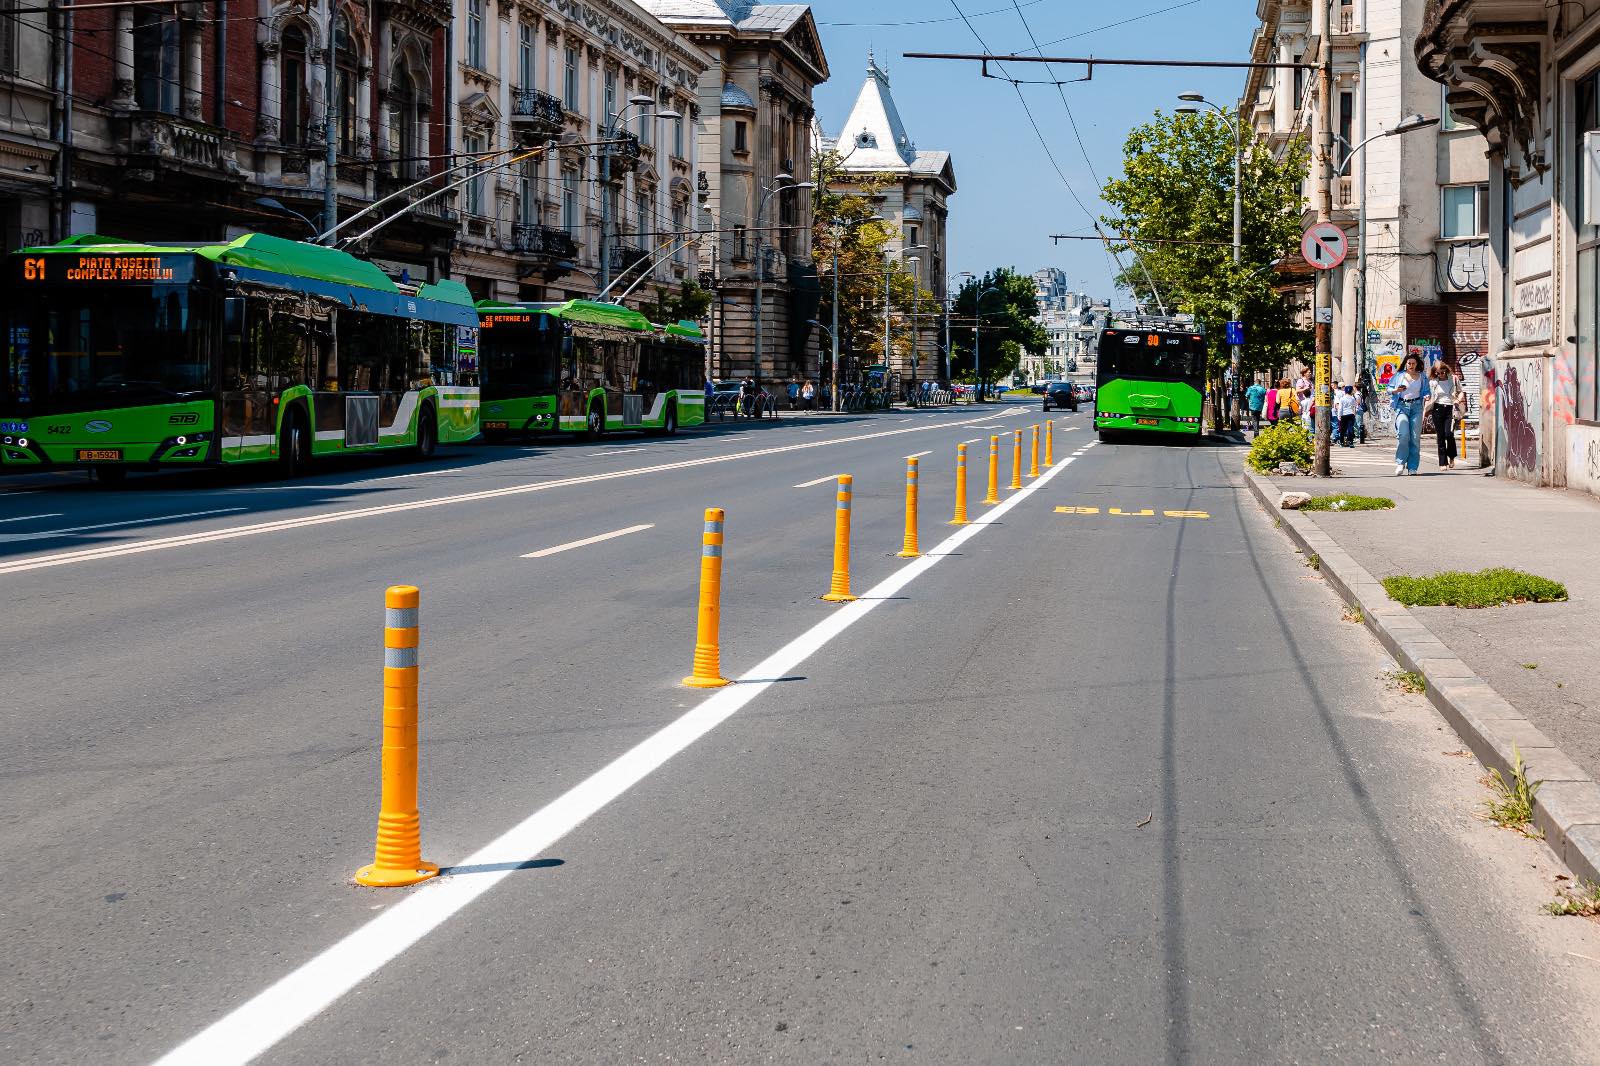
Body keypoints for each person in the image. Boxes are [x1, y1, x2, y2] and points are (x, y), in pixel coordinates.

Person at [1389, 352, 1431, 475]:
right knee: (1403, 435)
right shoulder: (1399, 375)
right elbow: (1389, 389)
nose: (1411, 365)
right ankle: (1400, 463)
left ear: (1417, 364)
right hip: (1402, 406)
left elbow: (1426, 391)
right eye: (1409, 363)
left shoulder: (1422, 377)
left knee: (1415, 438)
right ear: (1406, 364)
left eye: (1413, 363)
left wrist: (1427, 395)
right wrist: (1396, 390)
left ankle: (1413, 467)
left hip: (1417, 407)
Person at [1426, 360, 1460, 469]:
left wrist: (1458, 400)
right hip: (1437, 409)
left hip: (1450, 408)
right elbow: (1426, 392)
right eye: (1438, 373)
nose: (1441, 374)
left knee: (1449, 434)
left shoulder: (1453, 379)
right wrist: (1427, 398)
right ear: (1435, 373)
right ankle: (1442, 462)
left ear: (1446, 370)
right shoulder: (1433, 382)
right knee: (1440, 437)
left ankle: (1452, 457)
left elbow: (1461, 391)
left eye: (1443, 372)